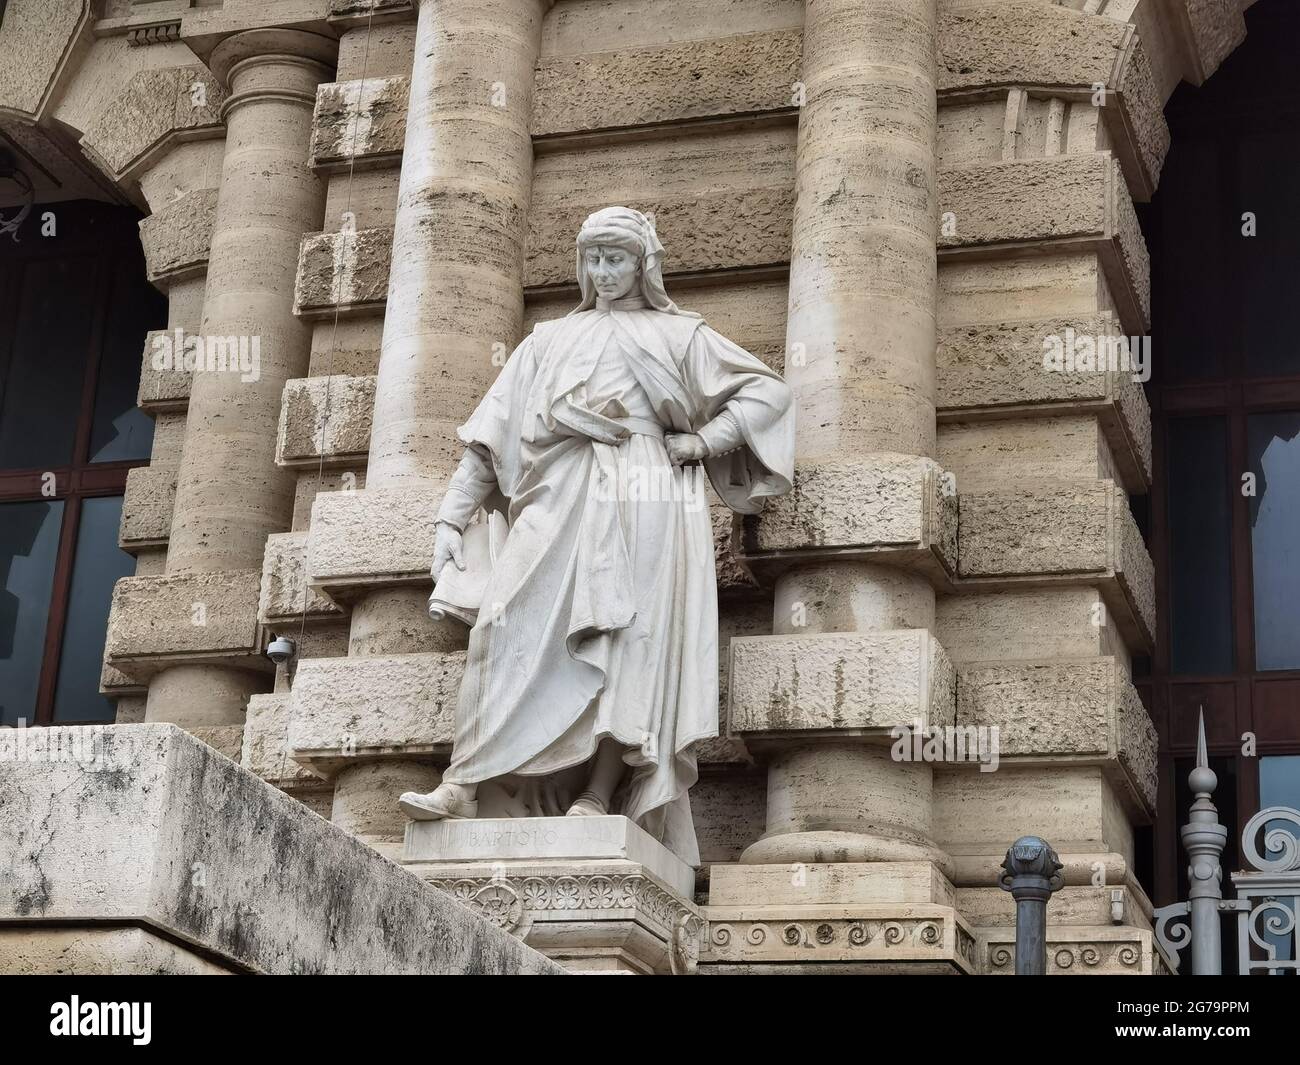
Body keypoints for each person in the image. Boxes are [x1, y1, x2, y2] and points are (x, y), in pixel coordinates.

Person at [398, 206, 794, 865]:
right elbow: (485, 442)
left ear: (645, 264)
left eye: (616, 259)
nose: (603, 272)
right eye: (593, 260)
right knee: (500, 626)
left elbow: (766, 395)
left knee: (627, 644)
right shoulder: (545, 342)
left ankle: (600, 792)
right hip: (555, 499)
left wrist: (700, 441)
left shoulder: (679, 337)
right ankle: (463, 782)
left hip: (645, 496)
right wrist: (446, 520)